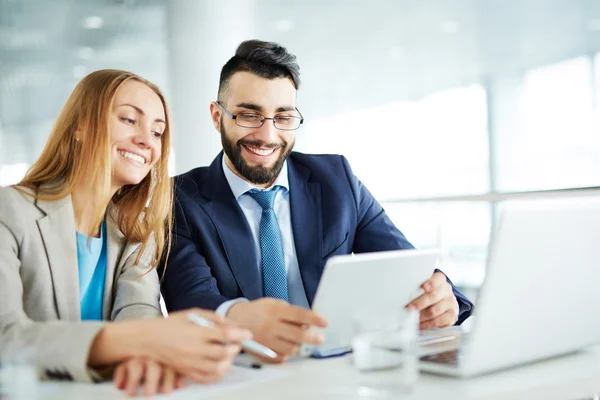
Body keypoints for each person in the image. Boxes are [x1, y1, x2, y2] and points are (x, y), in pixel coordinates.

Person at [161, 40, 473, 362]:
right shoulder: (179, 198)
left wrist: (441, 298)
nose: (268, 136)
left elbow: (407, 266)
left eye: (283, 118)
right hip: (243, 371)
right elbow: (190, 300)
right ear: (217, 116)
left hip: (338, 367)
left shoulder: (337, 179)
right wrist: (241, 317)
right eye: (249, 115)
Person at [0, 69, 251, 397]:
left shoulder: (136, 231)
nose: (147, 141)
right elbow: (6, 338)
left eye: (158, 132)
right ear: (81, 126)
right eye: (129, 120)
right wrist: (133, 342)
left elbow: (139, 316)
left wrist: (143, 354)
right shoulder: (9, 211)